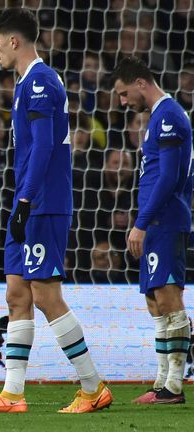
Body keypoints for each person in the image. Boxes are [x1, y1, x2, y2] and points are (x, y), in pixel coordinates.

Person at [0, 8, 112, 414]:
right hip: (27, 199)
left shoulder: (42, 81)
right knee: (16, 294)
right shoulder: (28, 82)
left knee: (46, 295)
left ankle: (92, 386)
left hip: (43, 203)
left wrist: (26, 200)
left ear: (14, 41)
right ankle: (12, 394)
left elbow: (46, 147)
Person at [112, 56, 193, 404]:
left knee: (168, 296)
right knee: (154, 300)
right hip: (154, 218)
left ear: (141, 83)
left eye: (124, 93)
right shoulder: (158, 118)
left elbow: (170, 177)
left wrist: (142, 224)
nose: (123, 101)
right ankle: (162, 381)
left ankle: (174, 386)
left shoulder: (169, 116)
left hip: (164, 219)